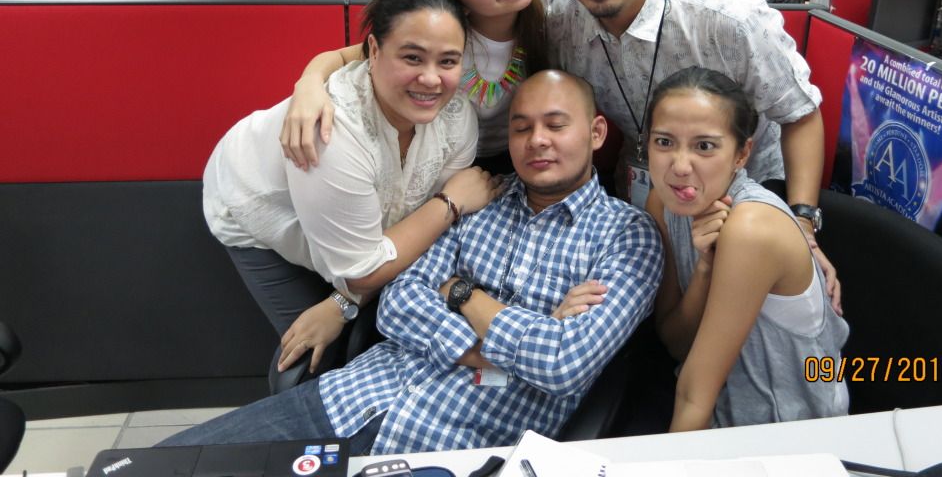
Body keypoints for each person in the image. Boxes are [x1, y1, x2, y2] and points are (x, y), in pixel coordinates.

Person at [162, 70, 663, 453]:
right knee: (167, 463)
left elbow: (561, 365)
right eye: (521, 127)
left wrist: (460, 293)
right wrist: (520, 337)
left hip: (458, 443)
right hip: (351, 398)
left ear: (596, 132)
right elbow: (398, 302)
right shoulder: (477, 197)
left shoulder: (628, 235)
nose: (537, 141)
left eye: (556, 125)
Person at [544, 0, 840, 309]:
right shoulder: (564, 20)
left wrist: (801, 222)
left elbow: (799, 114)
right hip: (649, 193)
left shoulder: (727, 18)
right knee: (657, 320)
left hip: (741, 194)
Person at [203, 0, 502, 379]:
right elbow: (361, 271)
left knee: (372, 330)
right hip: (262, 202)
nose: (432, 79)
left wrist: (343, 300)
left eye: (448, 62)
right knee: (316, 359)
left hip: (363, 230)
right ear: (373, 51)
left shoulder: (455, 115)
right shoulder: (333, 133)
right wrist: (450, 203)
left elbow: (423, 237)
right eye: (412, 58)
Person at [282, 0, 565, 175]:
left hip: (533, 150)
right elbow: (344, 57)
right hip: (458, 162)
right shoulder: (443, 37)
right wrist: (308, 86)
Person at [645, 67, 849, 431]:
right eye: (664, 142)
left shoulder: (750, 228)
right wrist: (706, 269)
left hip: (784, 430)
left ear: (742, 155)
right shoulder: (662, 204)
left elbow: (695, 395)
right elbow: (676, 344)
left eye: (704, 146)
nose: (679, 166)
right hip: (717, 410)